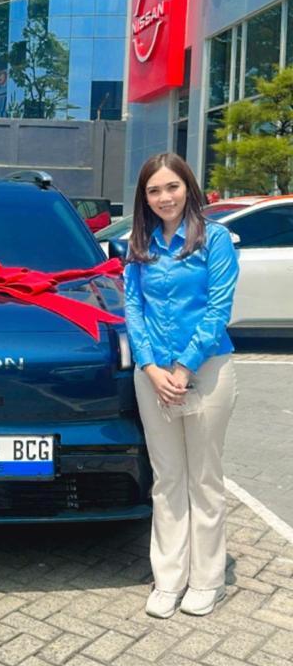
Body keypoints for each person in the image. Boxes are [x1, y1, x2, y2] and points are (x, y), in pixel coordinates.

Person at [124, 152, 239, 620]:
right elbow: (133, 308)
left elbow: (218, 309)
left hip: (206, 372)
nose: (164, 197)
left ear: (188, 188)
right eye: (154, 190)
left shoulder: (215, 240)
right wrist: (150, 367)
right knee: (168, 477)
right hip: (153, 376)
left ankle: (207, 580)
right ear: (144, 198)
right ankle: (169, 577)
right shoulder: (139, 244)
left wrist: (185, 367)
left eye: (172, 186)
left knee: (203, 478)